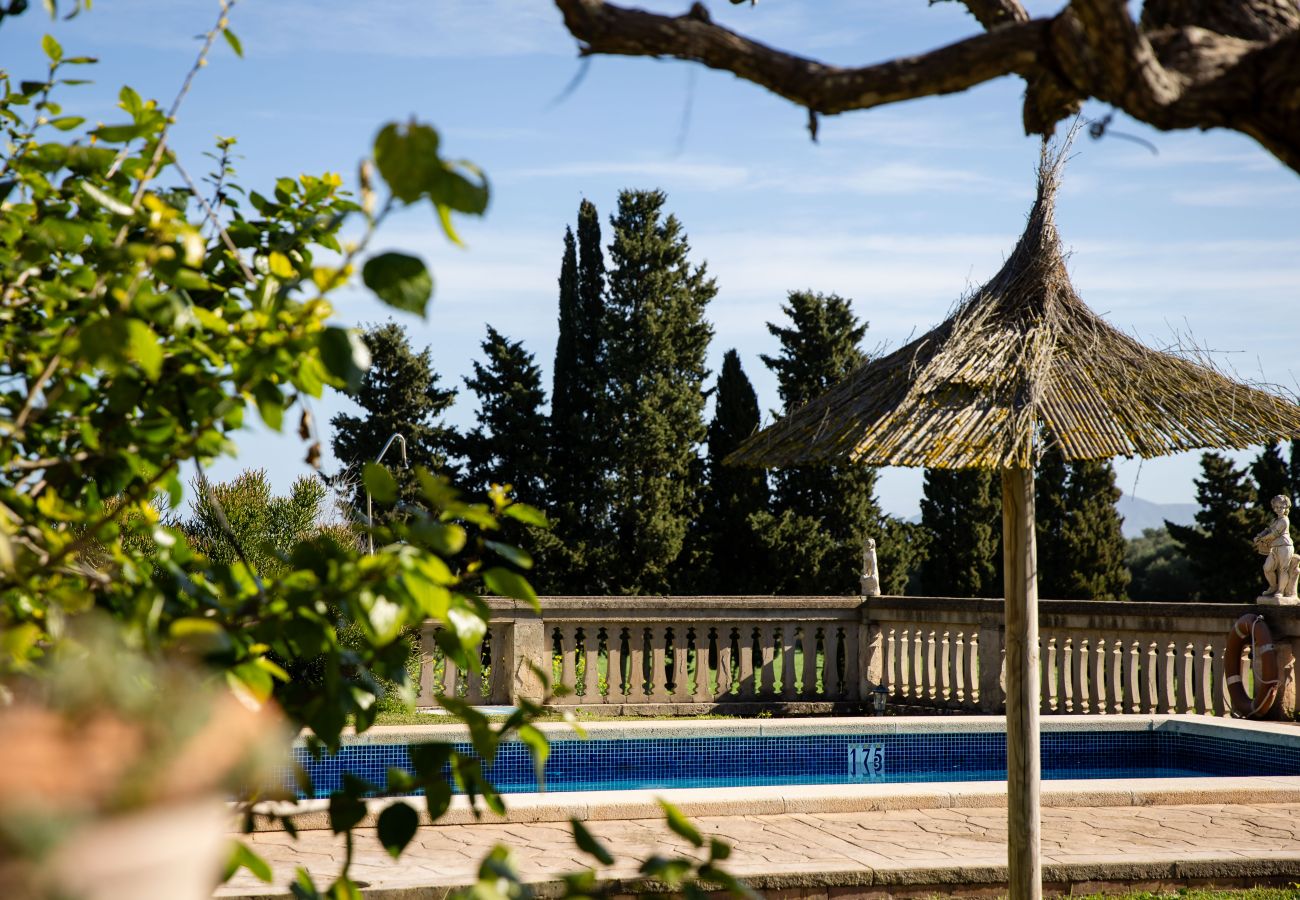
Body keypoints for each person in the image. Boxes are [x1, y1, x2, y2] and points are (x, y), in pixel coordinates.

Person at [1254, 494, 1296, 600]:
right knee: (1267, 568)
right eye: (1276, 507)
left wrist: (1261, 539)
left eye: (1281, 507)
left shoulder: (1284, 520)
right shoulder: (1275, 520)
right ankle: (1273, 587)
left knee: (1283, 569)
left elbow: (1274, 534)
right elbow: (1268, 530)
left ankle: (1280, 591)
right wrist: (1259, 535)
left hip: (1285, 546)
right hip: (1274, 548)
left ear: (1286, 507)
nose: (1278, 509)